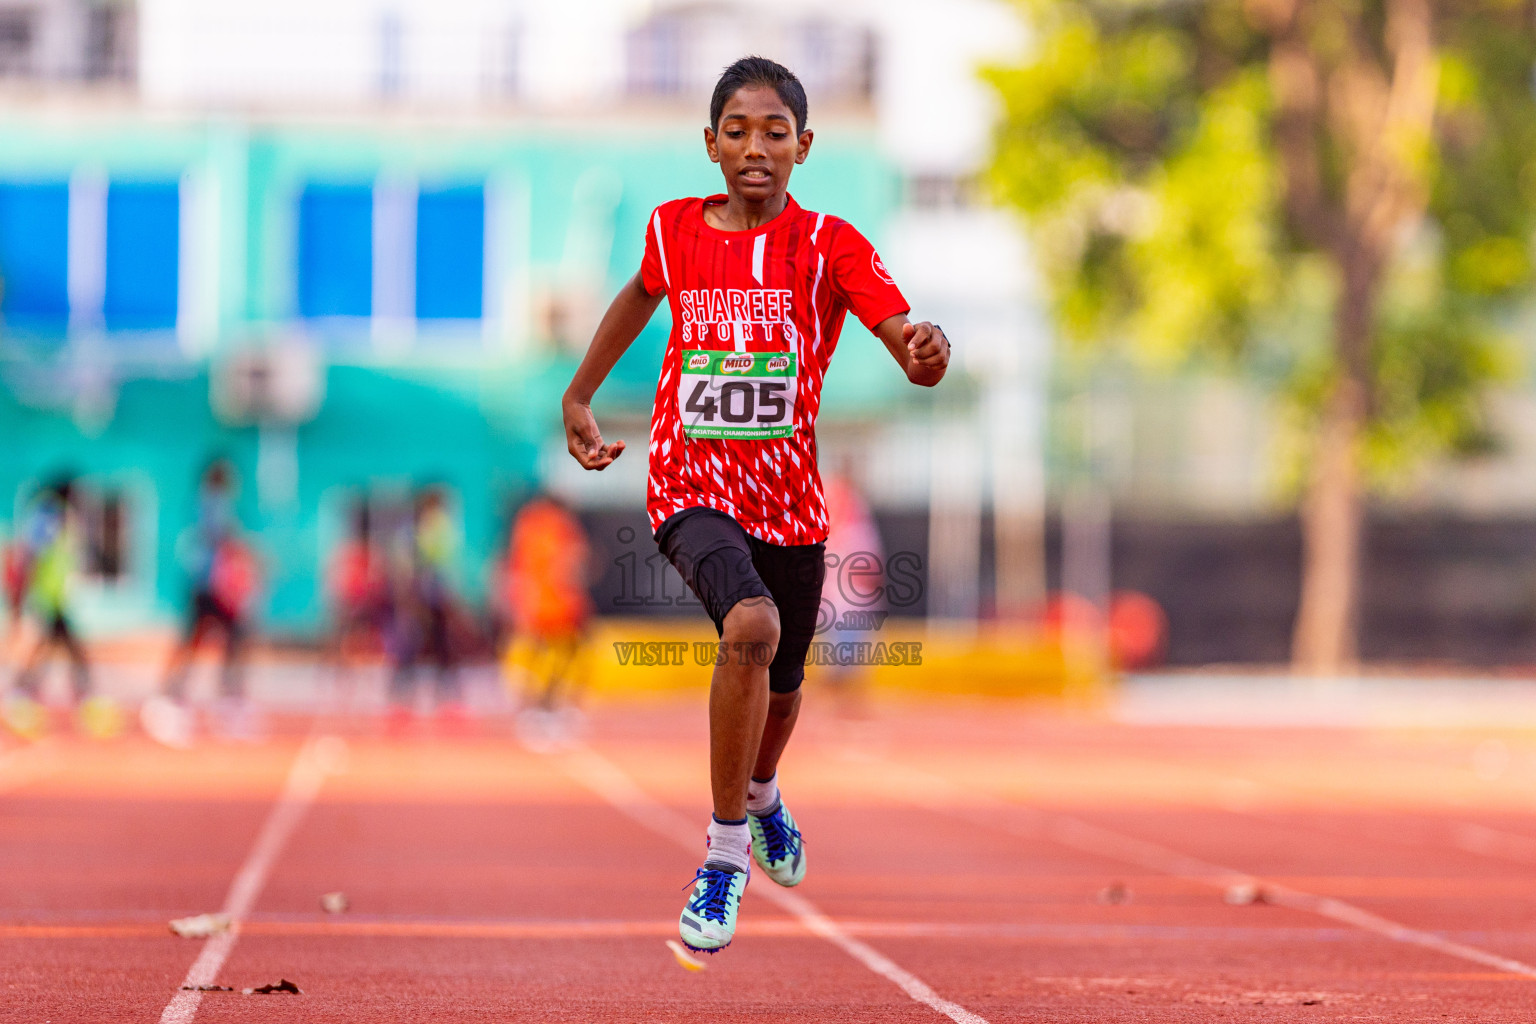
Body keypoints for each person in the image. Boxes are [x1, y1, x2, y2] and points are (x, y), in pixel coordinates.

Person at [561, 56, 950, 954]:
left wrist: (922, 351)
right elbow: (637, 297)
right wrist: (581, 394)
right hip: (690, 484)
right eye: (736, 130)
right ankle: (724, 852)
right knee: (750, 624)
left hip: (790, 503)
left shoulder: (830, 246)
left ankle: (765, 792)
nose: (755, 148)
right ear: (709, 144)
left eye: (775, 132)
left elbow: (901, 336)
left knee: (783, 687)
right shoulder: (672, 231)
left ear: (803, 146)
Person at [145, 460, 259, 745]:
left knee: (214, 642)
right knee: (215, 642)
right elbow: (219, 539)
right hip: (209, 586)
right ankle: (194, 699)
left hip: (210, 586)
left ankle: (212, 700)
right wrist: (241, 555)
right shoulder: (212, 502)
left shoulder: (212, 503)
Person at [500, 493, 592, 748]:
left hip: (535, 600)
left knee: (539, 653)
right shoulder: (560, 523)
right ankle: (548, 705)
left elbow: (515, 563)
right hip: (560, 601)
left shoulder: (527, 522)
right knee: (568, 652)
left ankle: (534, 707)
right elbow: (573, 560)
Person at [4, 480, 95, 738]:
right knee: (65, 645)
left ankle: (25, 688)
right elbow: (32, 556)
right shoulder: (47, 515)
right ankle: (81, 691)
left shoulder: (60, 516)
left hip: (55, 596)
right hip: (46, 596)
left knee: (51, 645)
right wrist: (22, 594)